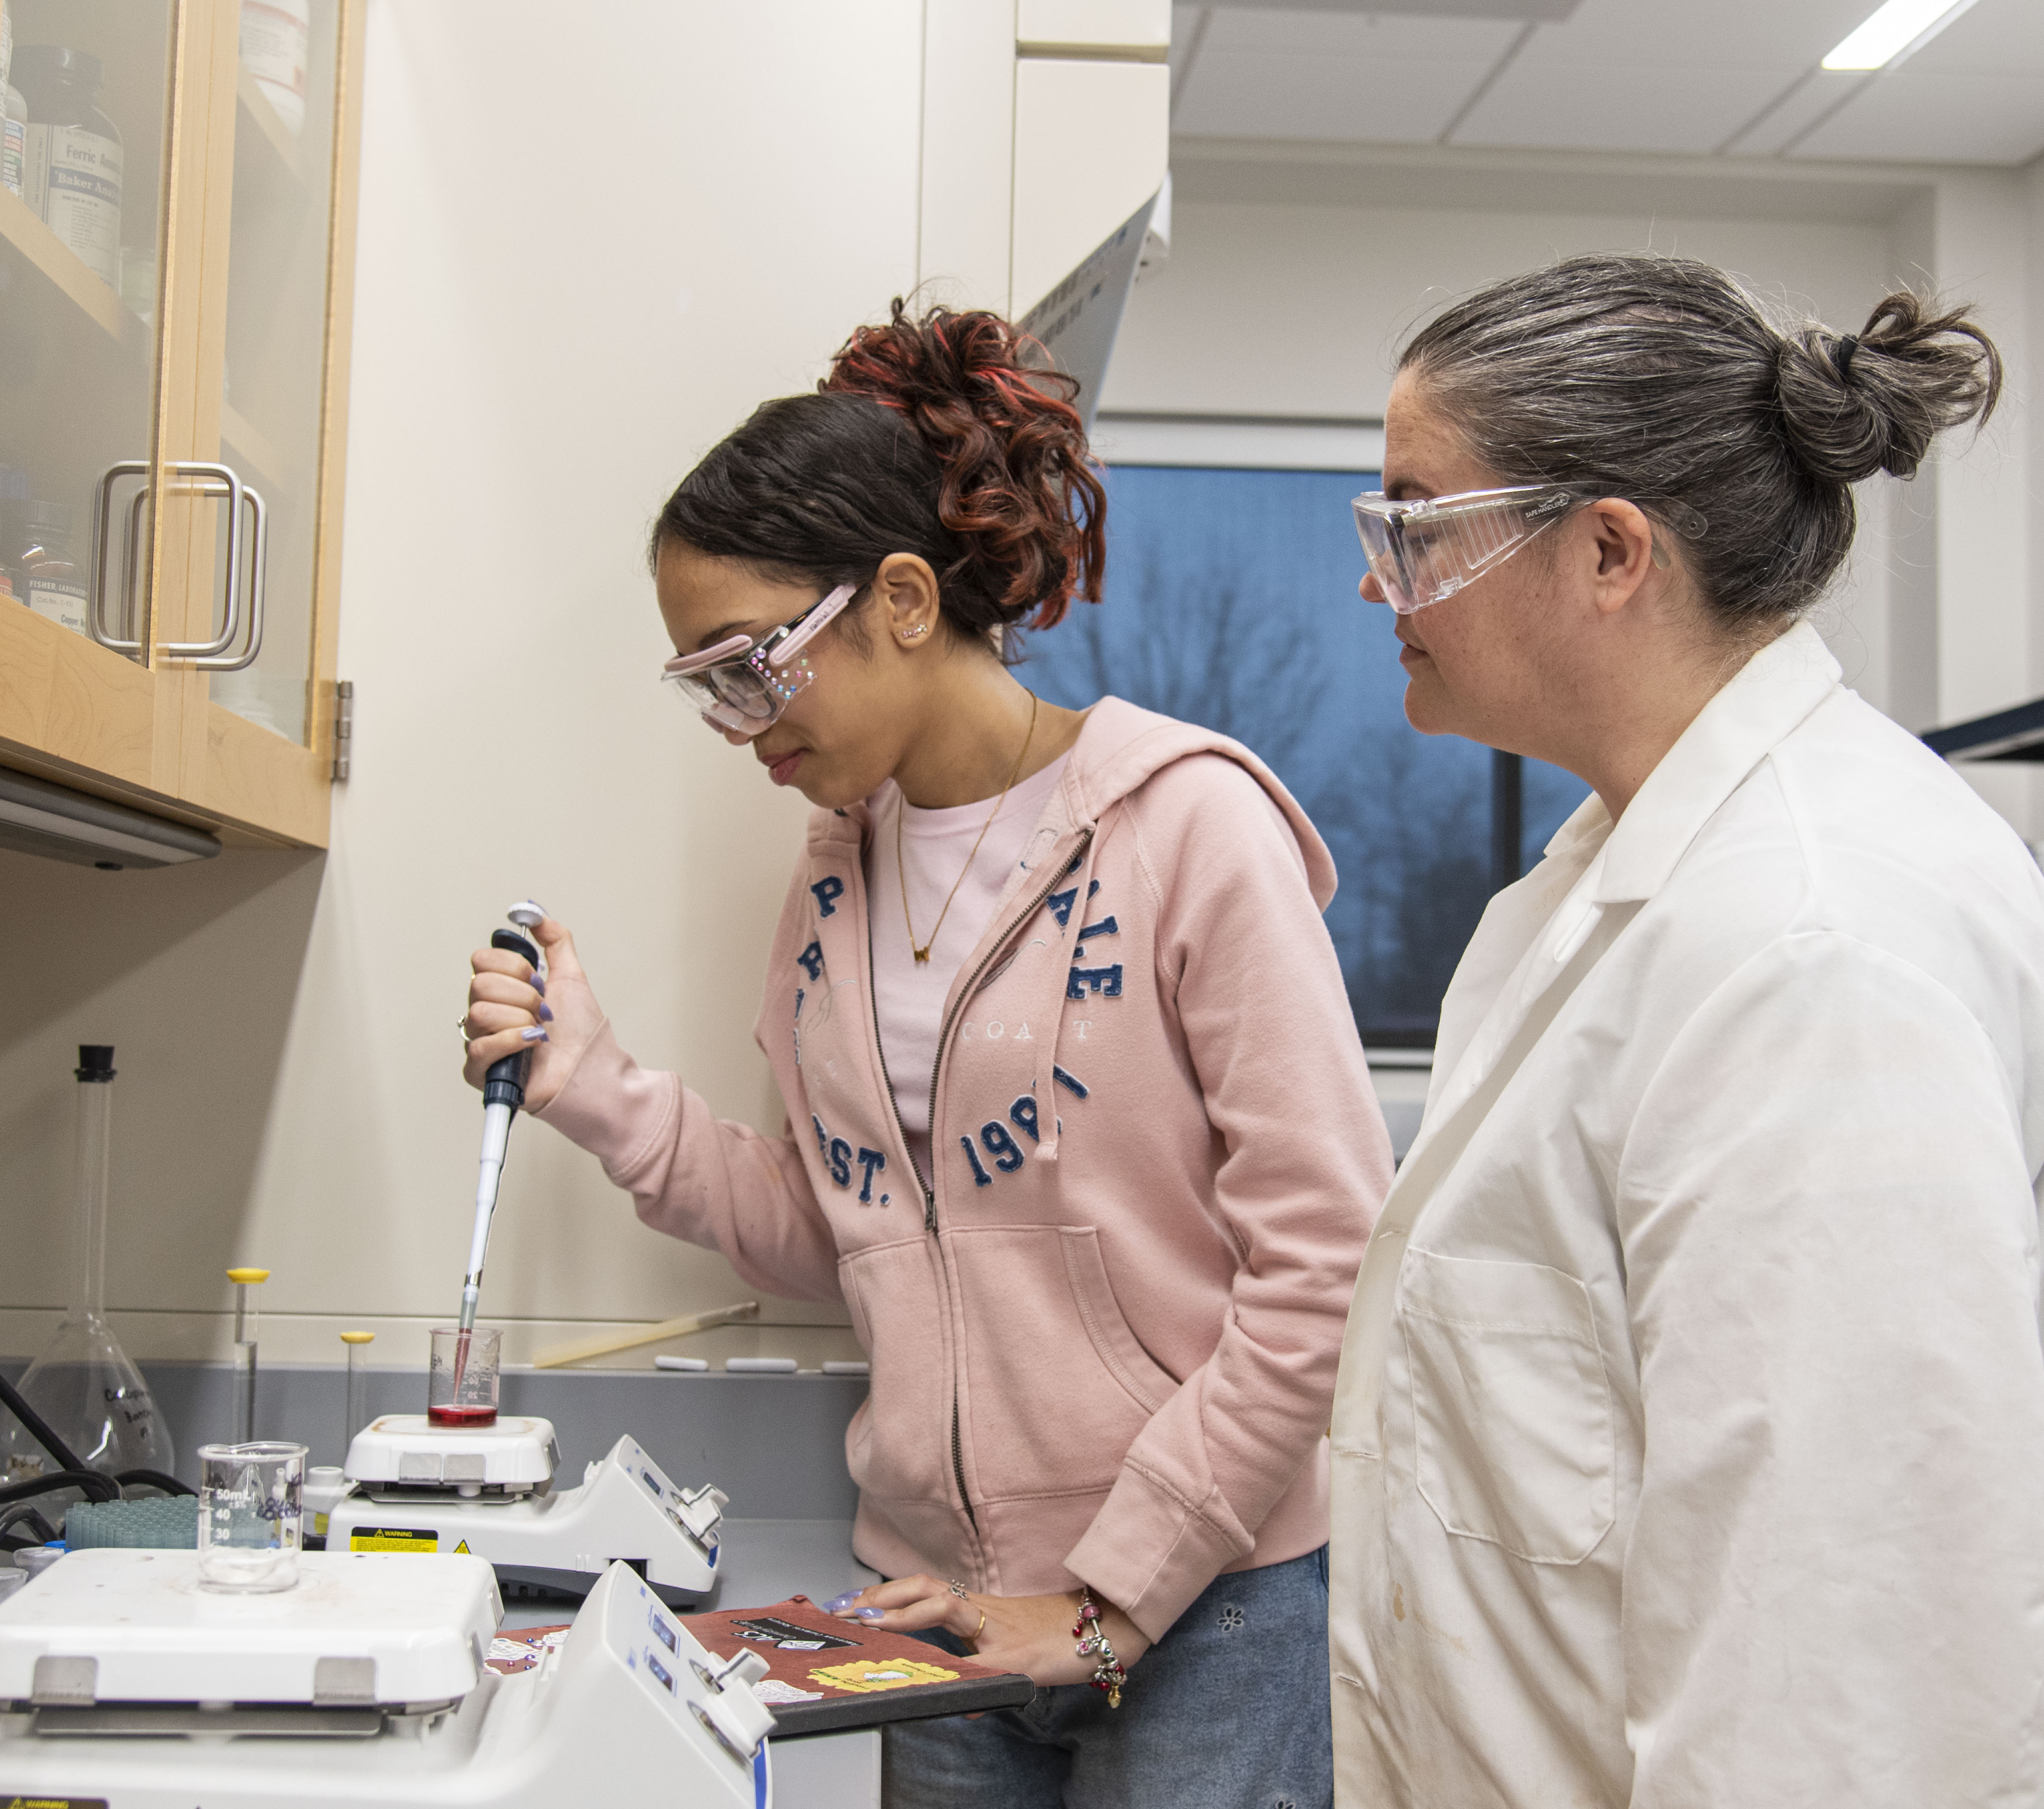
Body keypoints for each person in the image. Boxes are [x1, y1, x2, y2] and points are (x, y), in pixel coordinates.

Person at [1327, 253, 2044, 1806]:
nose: (1378, 581)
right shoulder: (1620, 893)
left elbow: (1844, 1687)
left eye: (1412, 524)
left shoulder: (1810, 948)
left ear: (1610, 553)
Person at [461, 303, 1384, 1807]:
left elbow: (1328, 1264)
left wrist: (1106, 1600)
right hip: (935, 1615)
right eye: (701, 684)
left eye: (748, 665)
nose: (732, 721)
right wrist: (596, 1091)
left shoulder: (1188, 828)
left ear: (901, 597)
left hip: (1210, 1606)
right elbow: (854, 1241)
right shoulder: (837, 881)